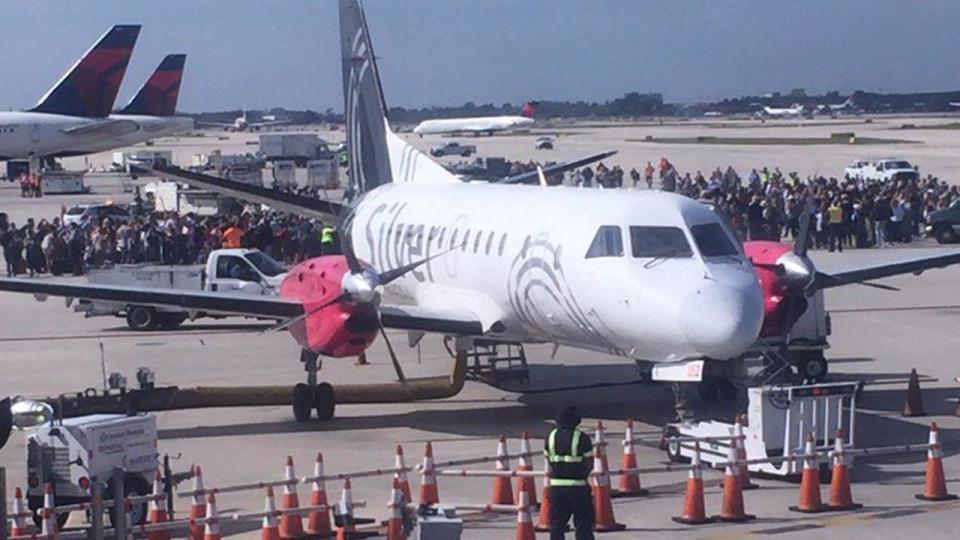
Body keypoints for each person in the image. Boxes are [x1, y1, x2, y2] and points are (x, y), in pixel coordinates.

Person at [545, 406, 594, 540]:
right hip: (578, 486)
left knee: (557, 524)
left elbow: (549, 461)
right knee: (583, 523)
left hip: (556, 487)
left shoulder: (551, 437)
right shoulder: (582, 437)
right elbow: (589, 463)